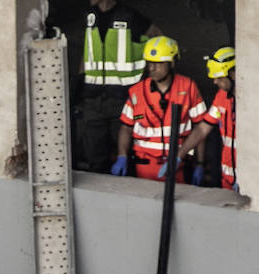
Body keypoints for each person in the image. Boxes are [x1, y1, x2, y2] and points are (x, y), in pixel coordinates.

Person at [47, 0, 158, 173]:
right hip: (93, 99)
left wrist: (149, 78)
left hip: (123, 100)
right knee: (95, 160)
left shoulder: (130, 17)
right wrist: (78, 86)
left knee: (124, 158)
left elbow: (158, 39)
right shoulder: (89, 16)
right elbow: (88, 52)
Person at [112, 35, 207, 182]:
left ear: (172, 63)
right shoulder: (136, 92)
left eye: (158, 63)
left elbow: (201, 128)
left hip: (178, 167)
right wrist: (122, 155)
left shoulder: (188, 87)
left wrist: (200, 164)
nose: (152, 68)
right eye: (149, 63)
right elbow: (126, 127)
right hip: (144, 168)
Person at [201, 46, 237, 190]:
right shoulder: (221, 96)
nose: (215, 82)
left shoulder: (252, 102)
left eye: (219, 78)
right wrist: (179, 154)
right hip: (227, 179)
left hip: (248, 181)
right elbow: (204, 127)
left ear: (233, 74)